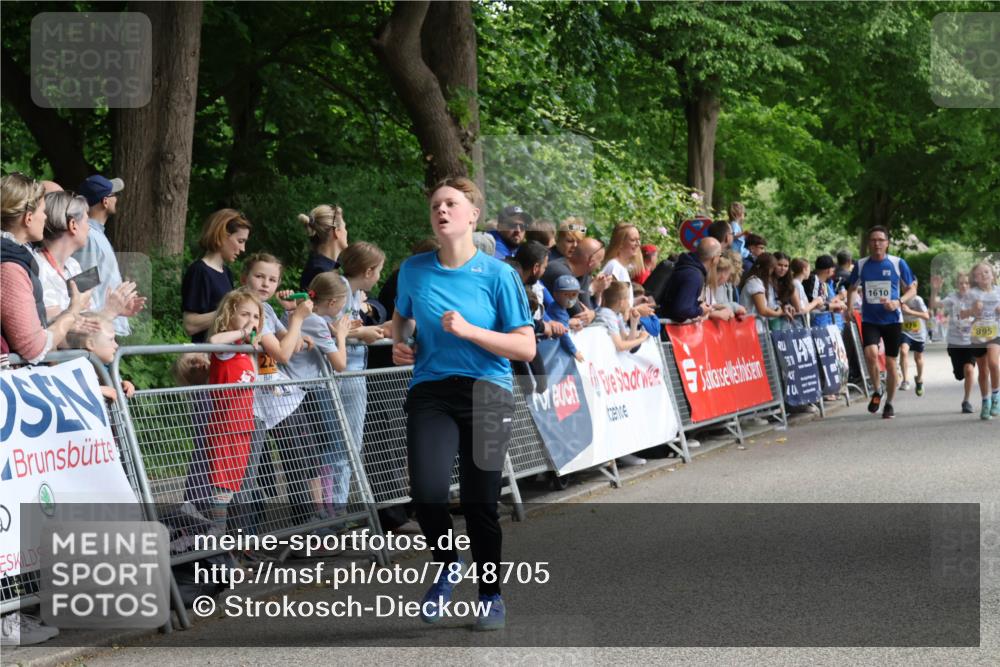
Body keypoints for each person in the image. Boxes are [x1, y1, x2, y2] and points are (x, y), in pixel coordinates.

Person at [391, 176, 534, 631]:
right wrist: (400, 342)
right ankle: (447, 564)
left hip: (488, 392)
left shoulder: (499, 275)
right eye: (435, 205)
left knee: (480, 504)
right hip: (431, 389)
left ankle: (490, 595)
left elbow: (525, 348)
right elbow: (402, 316)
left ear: (472, 216)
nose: (442, 210)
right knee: (428, 495)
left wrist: (470, 330)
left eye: (451, 204)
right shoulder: (414, 269)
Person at [239, 253, 318, 524]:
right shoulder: (243, 308)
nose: (265, 284)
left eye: (272, 279)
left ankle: (306, 528)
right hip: (251, 397)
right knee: (252, 472)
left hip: (278, 394)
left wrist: (290, 326)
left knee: (300, 458)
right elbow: (284, 353)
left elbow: (291, 343)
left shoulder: (268, 309)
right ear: (244, 277)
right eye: (259, 276)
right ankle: (249, 536)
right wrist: (297, 319)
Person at [1, 173, 90, 363]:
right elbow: (34, 348)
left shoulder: (18, 258)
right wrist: (74, 309)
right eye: (43, 211)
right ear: (28, 218)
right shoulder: (10, 267)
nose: (46, 217)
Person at [203, 287, 263, 534]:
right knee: (221, 486)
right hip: (224, 426)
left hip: (244, 426)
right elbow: (214, 341)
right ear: (229, 315)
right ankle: (217, 537)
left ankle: (224, 539)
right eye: (244, 314)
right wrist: (240, 333)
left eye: (256, 317)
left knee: (233, 487)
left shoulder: (247, 351)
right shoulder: (228, 348)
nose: (251, 321)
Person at [333, 242, 388, 510]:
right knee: (345, 446)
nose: (379, 277)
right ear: (368, 271)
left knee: (347, 446)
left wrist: (378, 329)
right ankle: (335, 512)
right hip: (345, 374)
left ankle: (338, 509)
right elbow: (330, 329)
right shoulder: (342, 289)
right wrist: (363, 334)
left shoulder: (354, 294)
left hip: (352, 372)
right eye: (379, 271)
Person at [37, 191, 144, 323]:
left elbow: (86, 315)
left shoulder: (73, 264)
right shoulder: (38, 268)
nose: (89, 228)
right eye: (87, 221)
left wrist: (115, 310)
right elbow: (55, 330)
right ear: (73, 225)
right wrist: (109, 312)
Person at [846, 225, 917, 420]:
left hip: (892, 320)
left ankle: (890, 403)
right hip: (870, 319)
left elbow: (912, 289)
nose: (877, 243)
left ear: (887, 243)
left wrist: (898, 301)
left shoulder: (897, 263)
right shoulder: (861, 265)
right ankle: (877, 391)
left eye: (880, 240)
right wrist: (849, 308)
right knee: (870, 354)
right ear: (869, 243)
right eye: (873, 240)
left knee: (891, 362)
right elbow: (852, 288)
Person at [74, 174, 141, 336]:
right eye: (114, 195)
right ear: (105, 201)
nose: (116, 199)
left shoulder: (96, 235)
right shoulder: (89, 236)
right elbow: (82, 281)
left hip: (105, 323)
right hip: (97, 328)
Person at [181, 209, 251, 343]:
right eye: (240, 240)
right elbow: (190, 324)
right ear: (222, 235)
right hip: (205, 358)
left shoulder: (227, 272)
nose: (243, 249)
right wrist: (230, 313)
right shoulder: (199, 271)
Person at [930, 273, 982, 413]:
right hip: (954, 343)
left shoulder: (976, 299)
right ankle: (961, 377)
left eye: (966, 283)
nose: (964, 286)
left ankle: (966, 401)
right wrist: (935, 290)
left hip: (970, 342)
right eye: (961, 283)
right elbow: (934, 304)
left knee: (969, 370)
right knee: (960, 375)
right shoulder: (952, 298)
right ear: (957, 285)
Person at [65, 313, 137, 401]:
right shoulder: (73, 369)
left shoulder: (107, 369)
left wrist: (122, 385)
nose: (116, 345)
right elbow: (69, 391)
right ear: (91, 344)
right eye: (111, 340)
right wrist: (99, 390)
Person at [964, 261, 1000, 419]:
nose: (984, 275)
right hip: (977, 334)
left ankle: (996, 397)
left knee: (993, 363)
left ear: (993, 275)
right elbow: (962, 314)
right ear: (975, 278)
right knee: (983, 370)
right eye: (980, 273)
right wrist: (973, 310)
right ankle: (985, 402)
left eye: (987, 272)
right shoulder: (971, 294)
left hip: (995, 332)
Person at [542, 236, 609, 317]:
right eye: (600, 261)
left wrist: (592, 314)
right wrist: (593, 314)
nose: (599, 266)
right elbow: (579, 313)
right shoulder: (560, 271)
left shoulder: (584, 274)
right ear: (591, 261)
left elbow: (587, 309)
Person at [660, 237, 722, 323]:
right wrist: (700, 310)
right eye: (720, 255)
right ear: (714, 258)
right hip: (665, 328)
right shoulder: (694, 276)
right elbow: (681, 309)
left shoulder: (686, 265)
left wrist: (695, 311)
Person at [298, 204, 349, 290]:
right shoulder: (321, 272)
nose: (346, 232)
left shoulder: (323, 266)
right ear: (336, 232)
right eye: (344, 227)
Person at [600, 223, 642, 307]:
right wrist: (637, 310)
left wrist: (634, 302)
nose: (638, 243)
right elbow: (612, 306)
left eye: (638, 240)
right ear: (621, 243)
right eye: (633, 240)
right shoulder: (614, 267)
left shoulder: (621, 267)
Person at [739, 252, 787, 326]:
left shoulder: (759, 282)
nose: (772, 272)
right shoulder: (754, 282)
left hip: (758, 327)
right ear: (766, 267)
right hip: (752, 327)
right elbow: (762, 310)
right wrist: (778, 313)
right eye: (772, 268)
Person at [546, 275, 584, 362]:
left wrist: (569, 324)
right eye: (566, 294)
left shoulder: (559, 307)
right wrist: (574, 351)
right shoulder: (557, 310)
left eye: (574, 294)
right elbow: (563, 335)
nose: (571, 298)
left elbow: (563, 324)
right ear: (555, 295)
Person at [898, 292, 930, 396]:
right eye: (904, 286)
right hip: (905, 331)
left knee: (918, 358)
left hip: (918, 333)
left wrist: (909, 311)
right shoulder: (900, 299)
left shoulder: (918, 300)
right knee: (903, 351)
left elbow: (926, 316)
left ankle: (919, 380)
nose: (906, 288)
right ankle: (905, 380)